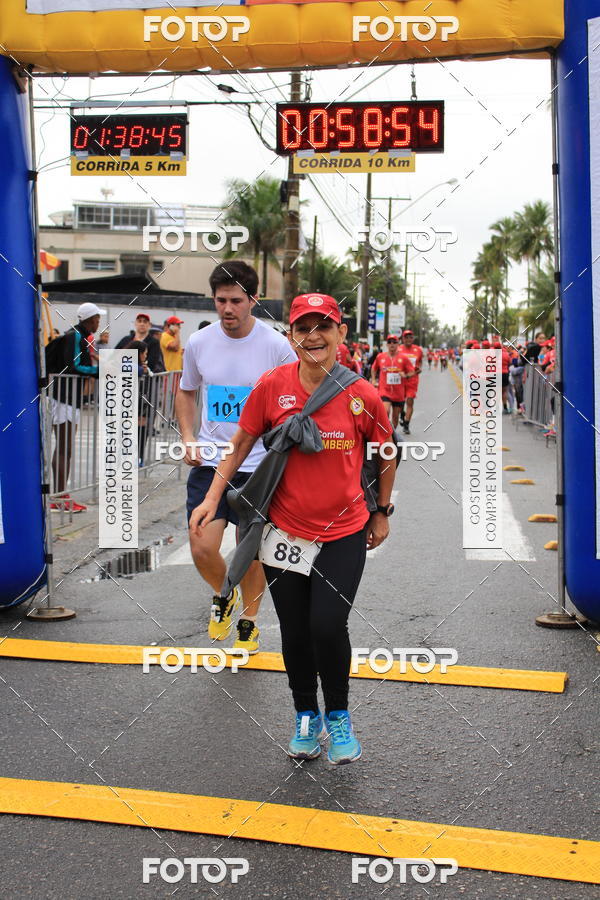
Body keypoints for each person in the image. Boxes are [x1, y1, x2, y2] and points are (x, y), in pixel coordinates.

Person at [189, 292, 396, 764]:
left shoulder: (360, 393)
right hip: (283, 533)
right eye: (304, 327)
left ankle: (338, 714)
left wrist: (382, 511)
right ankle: (307, 713)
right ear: (291, 336)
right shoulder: (272, 386)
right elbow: (240, 443)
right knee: (296, 631)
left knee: (327, 625)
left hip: (343, 531)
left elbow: (386, 451)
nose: (313, 336)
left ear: (341, 334)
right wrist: (211, 497)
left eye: (324, 326)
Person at [175, 261, 295, 653]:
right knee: (201, 543)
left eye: (236, 301)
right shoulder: (199, 343)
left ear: (253, 301)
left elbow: (290, 401)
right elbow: (187, 390)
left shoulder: (276, 346)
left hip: (259, 465)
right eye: (220, 300)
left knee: (252, 549)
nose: (227, 309)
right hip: (212, 462)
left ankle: (249, 620)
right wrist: (189, 436)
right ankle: (224, 594)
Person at [47, 302, 105, 513]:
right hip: (63, 398)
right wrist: (99, 370)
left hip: (70, 398)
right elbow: (72, 366)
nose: (99, 322)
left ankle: (61, 495)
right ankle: (59, 497)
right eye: (98, 318)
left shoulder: (80, 336)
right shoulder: (75, 336)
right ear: (89, 319)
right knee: (64, 447)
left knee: (66, 448)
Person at [371, 334, 414, 429]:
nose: (392, 344)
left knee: (395, 420)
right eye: (389, 342)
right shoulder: (380, 357)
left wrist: (405, 375)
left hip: (398, 394)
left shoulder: (404, 358)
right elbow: (374, 368)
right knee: (385, 411)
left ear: (398, 344)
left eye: (394, 342)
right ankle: (384, 433)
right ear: (387, 344)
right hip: (384, 390)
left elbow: (412, 371)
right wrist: (373, 379)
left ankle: (391, 433)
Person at [125, 340, 154, 466]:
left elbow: (150, 373)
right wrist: (143, 371)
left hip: (141, 403)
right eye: (144, 353)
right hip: (127, 403)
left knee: (141, 430)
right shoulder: (126, 361)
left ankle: (138, 457)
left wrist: (146, 370)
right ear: (138, 353)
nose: (146, 356)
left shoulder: (142, 366)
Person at [398, 329, 423, 434]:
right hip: (400, 380)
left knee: (409, 400)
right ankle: (402, 414)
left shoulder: (418, 350)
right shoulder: (398, 349)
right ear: (403, 339)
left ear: (413, 339)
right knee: (399, 404)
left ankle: (406, 425)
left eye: (410, 337)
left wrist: (418, 369)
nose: (408, 339)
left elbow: (420, 362)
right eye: (406, 337)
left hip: (412, 380)